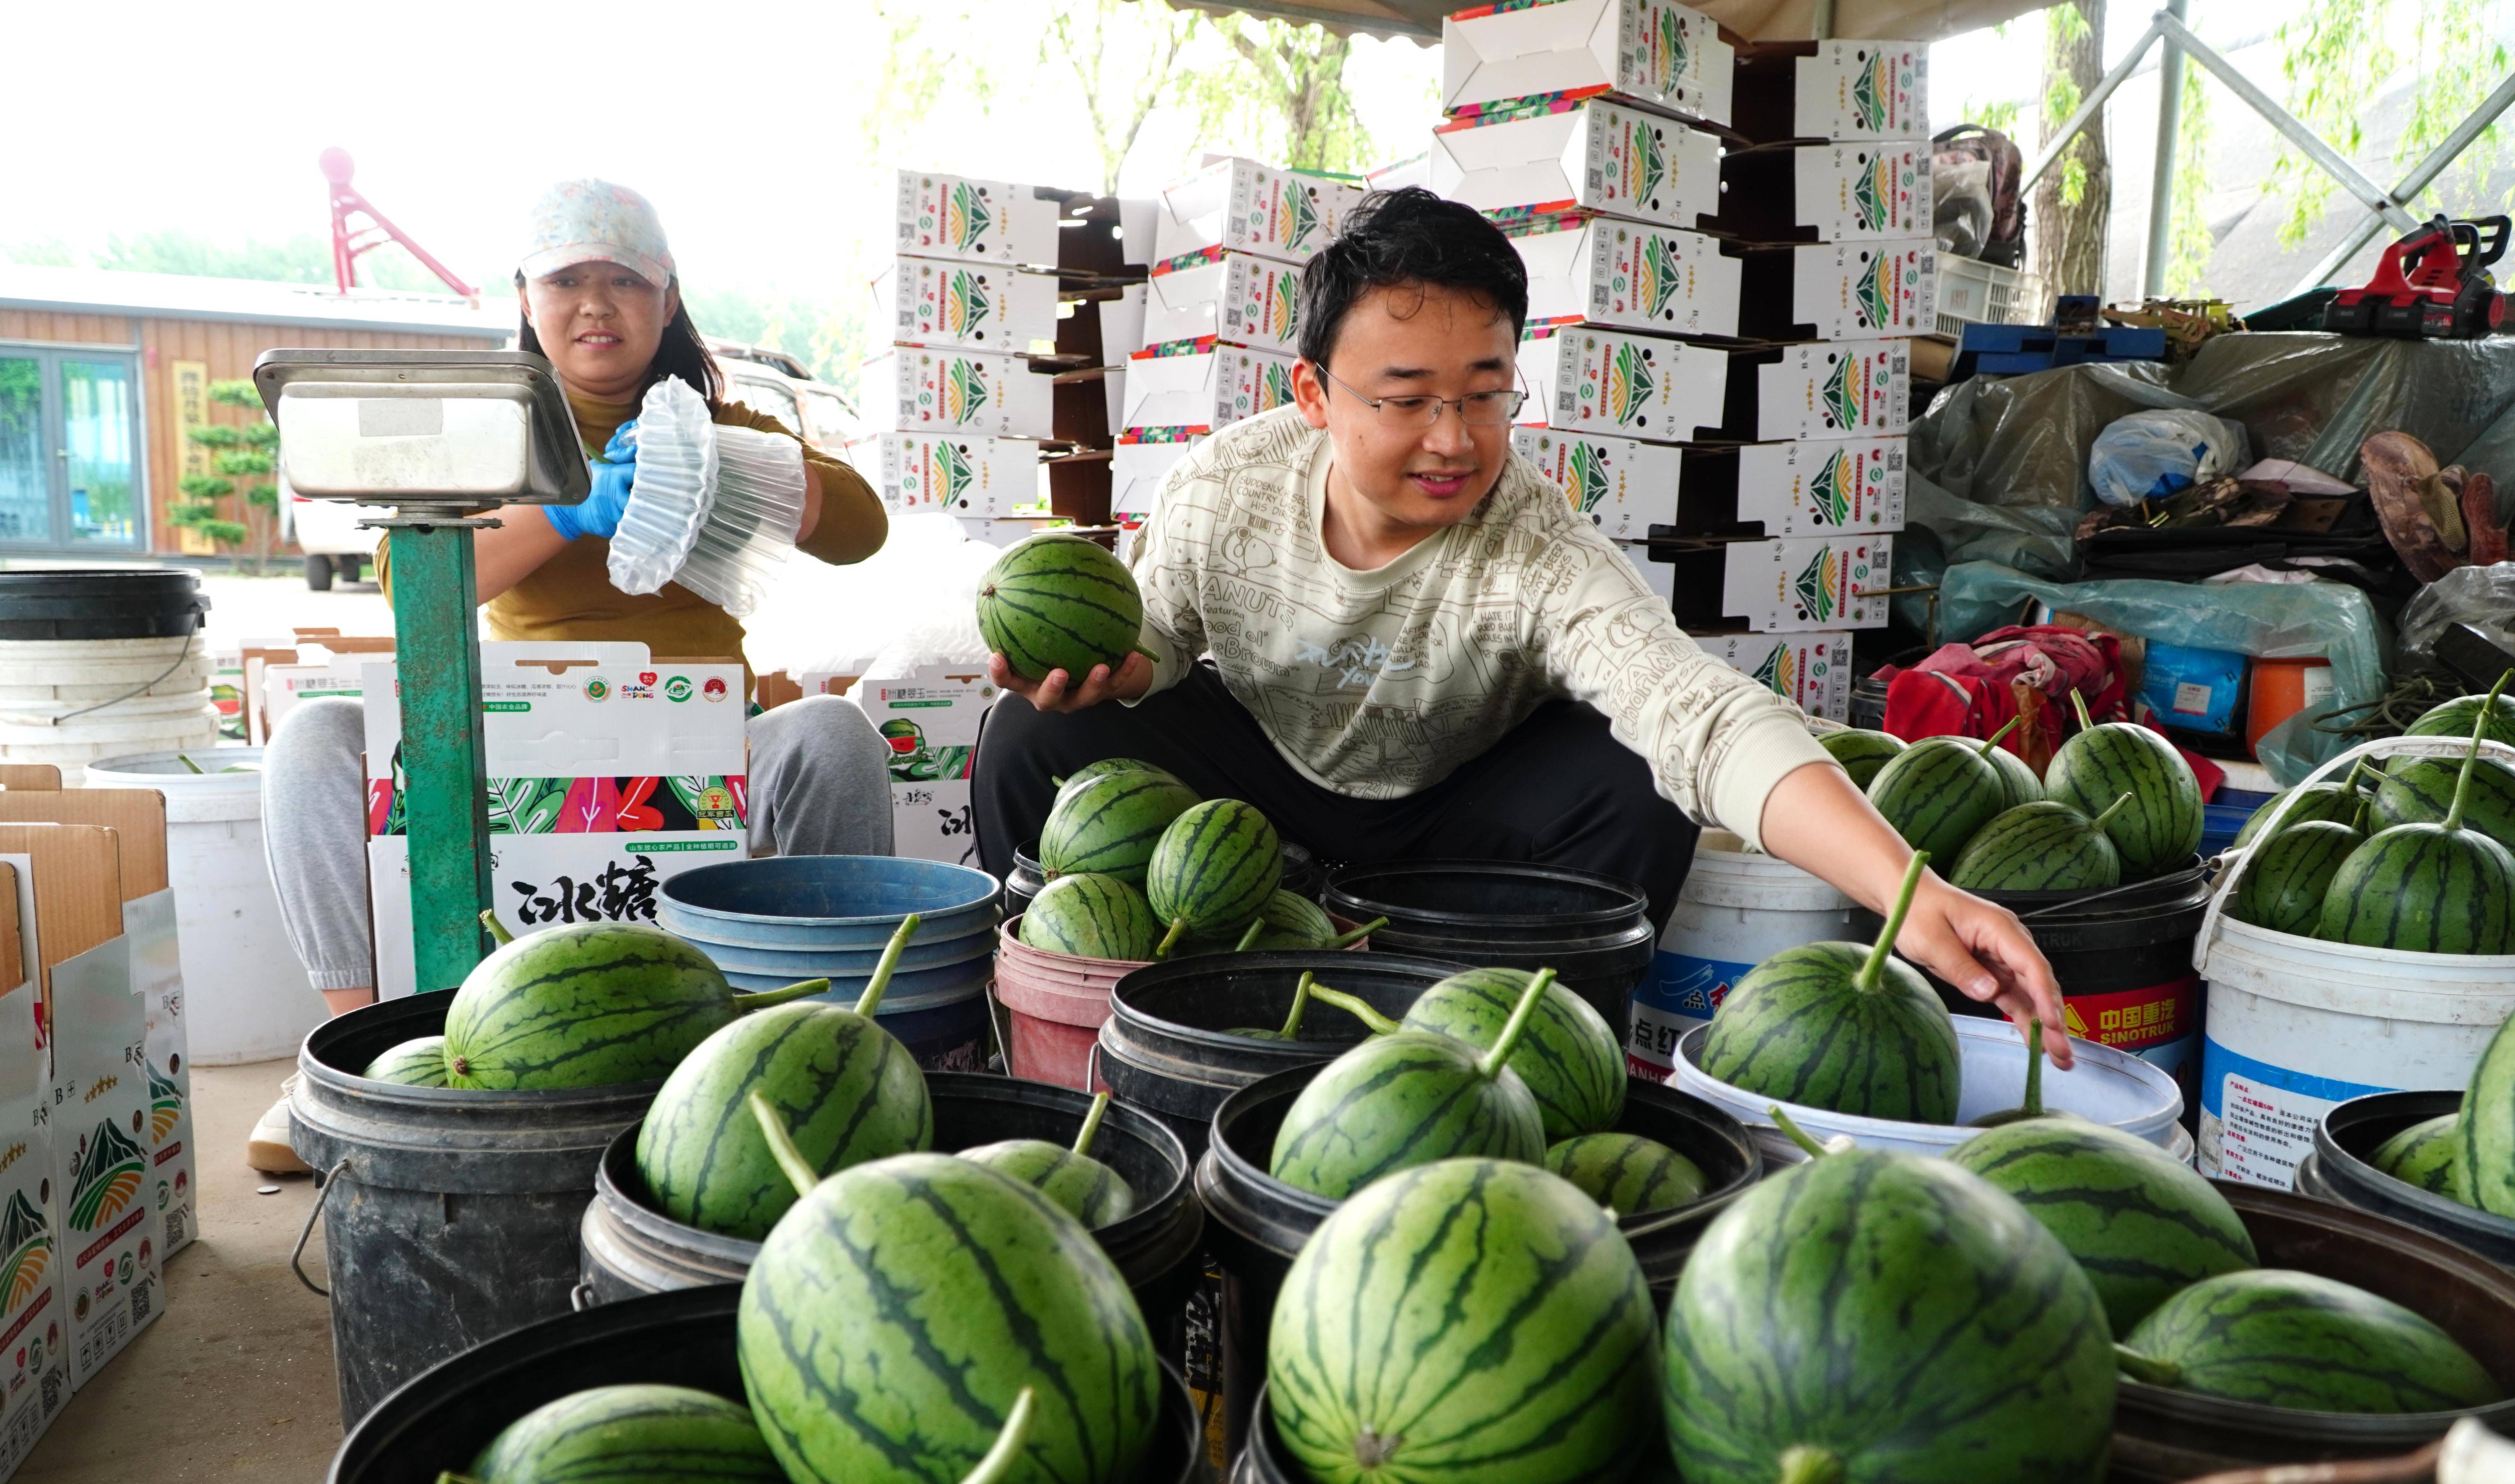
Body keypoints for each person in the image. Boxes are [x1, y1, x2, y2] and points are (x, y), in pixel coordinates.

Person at [973, 186, 2069, 1064]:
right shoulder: (1226, 489)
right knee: (1034, 740)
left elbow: (1702, 716)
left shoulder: (1534, 546)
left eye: (1485, 392)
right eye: (1405, 397)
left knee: (1641, 774)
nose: (1452, 439)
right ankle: (1097, 1018)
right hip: (1263, 776)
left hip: (1454, 817)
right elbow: (1157, 642)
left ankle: (1502, 1044)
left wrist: (1907, 889)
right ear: (1315, 395)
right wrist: (1111, 676)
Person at [251, 180, 895, 1171]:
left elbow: (863, 530)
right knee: (314, 740)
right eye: (567, 280)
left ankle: (827, 1054)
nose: (596, 304)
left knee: (832, 734)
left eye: (624, 280)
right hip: (519, 759)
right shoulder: (482, 432)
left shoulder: (732, 425)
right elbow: (405, 574)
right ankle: (368, 1060)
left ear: (667, 301)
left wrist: (742, 465)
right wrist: (569, 509)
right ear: (525, 295)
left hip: (702, 767)